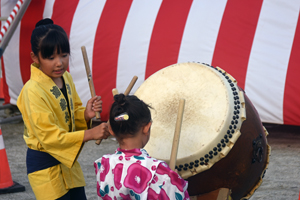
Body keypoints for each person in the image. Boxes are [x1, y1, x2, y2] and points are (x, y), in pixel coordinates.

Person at [17, 18, 110, 200]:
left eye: (64, 55)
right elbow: (49, 137)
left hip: (68, 163)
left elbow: (72, 111)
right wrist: (90, 134)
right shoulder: (32, 91)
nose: (59, 63)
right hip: (45, 166)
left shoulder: (65, 78)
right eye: (51, 57)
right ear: (35, 58)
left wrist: (85, 114)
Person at [94, 94, 190, 200]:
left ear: (111, 130)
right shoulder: (159, 170)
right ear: (146, 128)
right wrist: (175, 183)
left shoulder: (103, 164)